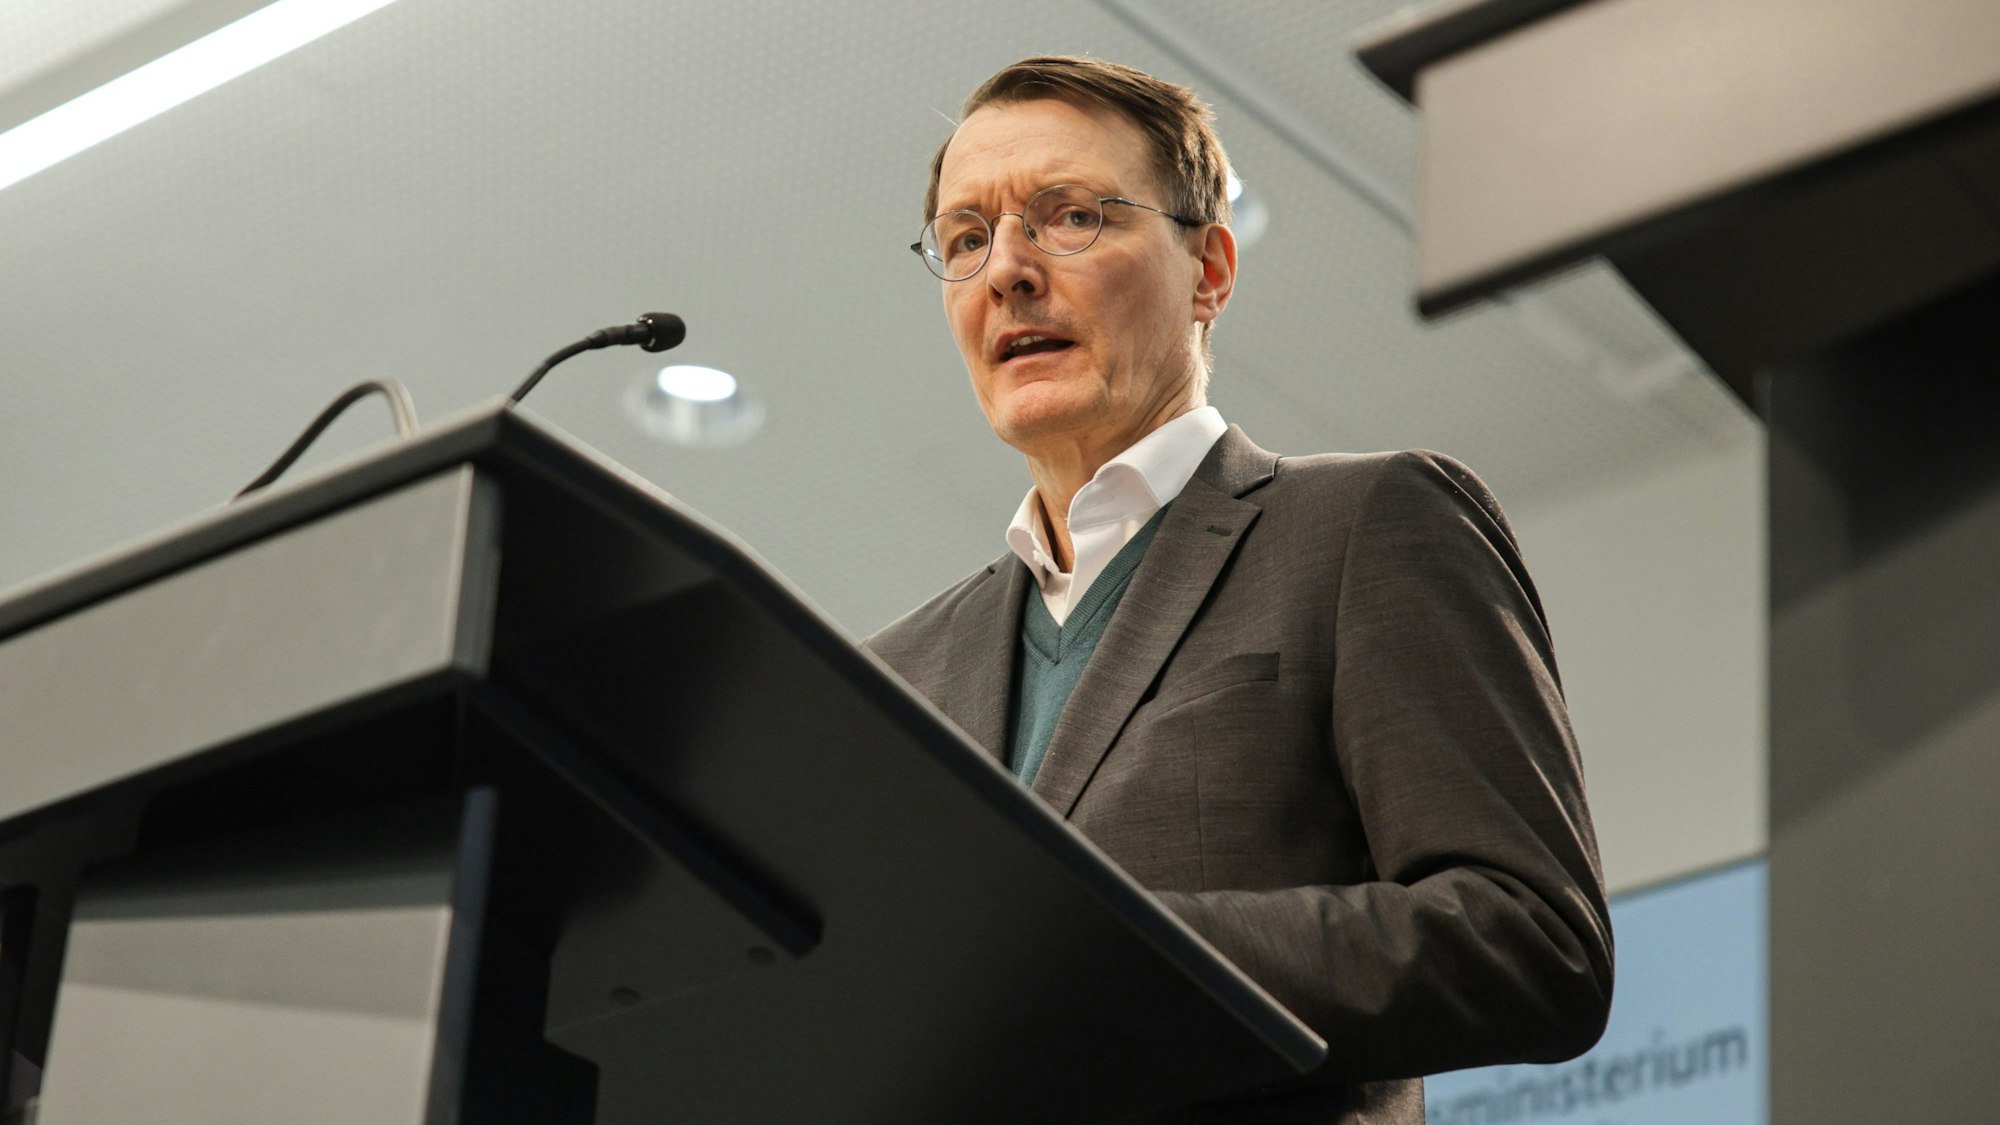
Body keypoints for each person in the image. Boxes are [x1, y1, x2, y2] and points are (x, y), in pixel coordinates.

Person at [865, 56, 1612, 1124]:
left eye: (1067, 217)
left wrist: (1112, 957)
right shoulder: (893, 674)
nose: (1007, 273)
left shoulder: (1365, 526)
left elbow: (1531, 942)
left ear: (1208, 270)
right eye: (965, 239)